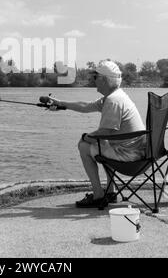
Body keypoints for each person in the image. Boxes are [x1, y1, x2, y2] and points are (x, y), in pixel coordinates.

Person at [49, 60, 146, 208]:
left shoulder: (113, 101)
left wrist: (85, 137)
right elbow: (86, 106)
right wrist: (62, 103)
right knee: (103, 143)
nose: (93, 80)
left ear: (105, 79)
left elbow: (106, 132)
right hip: (137, 152)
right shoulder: (116, 95)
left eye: (95, 77)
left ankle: (98, 195)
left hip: (130, 158)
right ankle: (110, 192)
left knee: (83, 146)